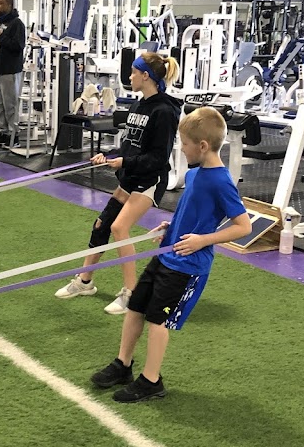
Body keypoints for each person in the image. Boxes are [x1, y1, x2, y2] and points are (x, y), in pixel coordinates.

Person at [90, 106, 251, 403]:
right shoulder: (196, 174)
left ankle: (151, 381)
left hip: (188, 265)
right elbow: (192, 211)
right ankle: (123, 365)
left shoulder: (220, 181)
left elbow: (243, 226)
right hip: (167, 254)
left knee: (156, 320)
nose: (181, 148)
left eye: (185, 144)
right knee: (136, 305)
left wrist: (203, 240)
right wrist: (171, 226)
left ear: (203, 146)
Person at [55, 52, 181, 314]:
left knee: (119, 228)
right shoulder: (137, 107)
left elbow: (158, 158)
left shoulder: (164, 111)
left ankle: (131, 294)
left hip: (150, 179)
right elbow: (129, 146)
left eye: (134, 72)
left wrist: (124, 162)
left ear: (146, 76)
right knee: (102, 225)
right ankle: (85, 281)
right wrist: (109, 156)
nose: (130, 76)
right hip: (131, 176)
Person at [0, 0, 25, 147]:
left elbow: (18, 46)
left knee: (10, 105)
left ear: (9, 5)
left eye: (0, 3)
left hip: (10, 70)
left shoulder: (17, 24)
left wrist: (0, 37)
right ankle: (3, 132)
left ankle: (13, 136)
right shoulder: (0, 23)